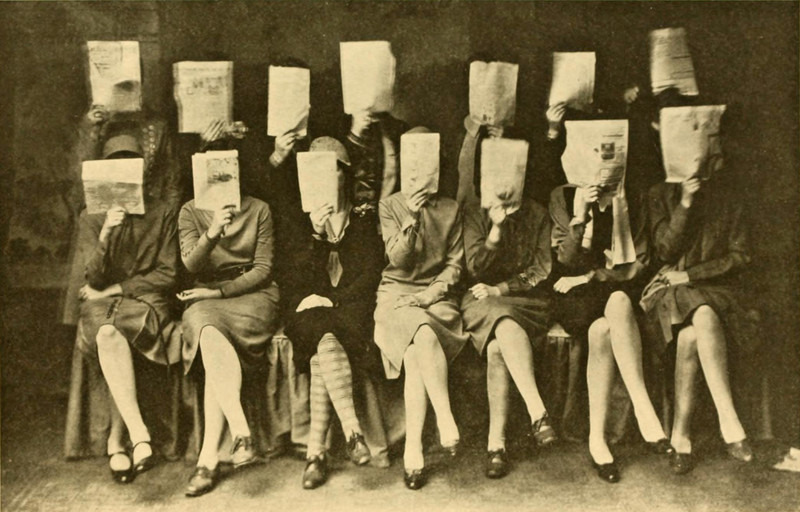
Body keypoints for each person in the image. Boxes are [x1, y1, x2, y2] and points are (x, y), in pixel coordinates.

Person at [71, 133, 180, 483]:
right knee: (107, 331)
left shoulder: (162, 212)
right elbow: (91, 276)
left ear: (143, 172)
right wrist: (106, 233)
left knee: (116, 330)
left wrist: (115, 289)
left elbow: (168, 273)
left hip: (144, 301)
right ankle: (138, 434)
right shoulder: (91, 217)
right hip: (105, 307)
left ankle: (117, 443)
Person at [549, 178, 673, 483]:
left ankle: (598, 440)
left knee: (606, 324)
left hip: (612, 287)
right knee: (610, 311)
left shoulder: (629, 196)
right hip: (572, 295)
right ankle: (644, 410)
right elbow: (564, 260)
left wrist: (592, 276)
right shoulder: (562, 196)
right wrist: (580, 214)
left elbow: (638, 262)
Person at [282, 137, 385, 489]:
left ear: (345, 175)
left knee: (322, 347)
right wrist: (315, 232)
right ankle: (353, 431)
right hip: (309, 305)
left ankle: (315, 454)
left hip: (351, 306)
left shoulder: (365, 216)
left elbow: (369, 275)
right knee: (318, 327)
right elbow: (295, 278)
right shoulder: (298, 218)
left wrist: (336, 301)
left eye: (333, 171)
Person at [642, 170, 755, 475]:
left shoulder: (730, 196)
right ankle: (729, 421)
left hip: (718, 290)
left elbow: (740, 256)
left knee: (693, 333)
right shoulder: (659, 193)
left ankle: (681, 436)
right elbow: (665, 250)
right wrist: (686, 203)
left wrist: (692, 274)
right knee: (701, 316)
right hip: (670, 292)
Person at [373, 127, 468, 490]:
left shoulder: (451, 208)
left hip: (436, 297)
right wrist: (411, 218)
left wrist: (429, 295)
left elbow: (455, 266)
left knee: (416, 350)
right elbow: (396, 260)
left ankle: (413, 449)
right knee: (421, 332)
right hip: (396, 295)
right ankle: (445, 417)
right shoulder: (390, 205)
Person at [178, 186, 280, 496]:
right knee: (207, 330)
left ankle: (208, 460)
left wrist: (220, 292)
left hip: (253, 296)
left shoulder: (259, 208)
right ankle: (240, 432)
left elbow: (263, 269)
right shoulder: (190, 210)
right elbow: (190, 265)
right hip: (206, 295)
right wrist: (211, 232)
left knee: (213, 350)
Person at [460, 185, 555, 479]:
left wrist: (501, 289)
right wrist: (496, 230)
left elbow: (541, 268)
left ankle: (496, 444)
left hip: (526, 300)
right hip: (481, 300)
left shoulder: (537, 213)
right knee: (500, 323)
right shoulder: (474, 213)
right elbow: (475, 268)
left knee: (497, 345)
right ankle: (537, 412)